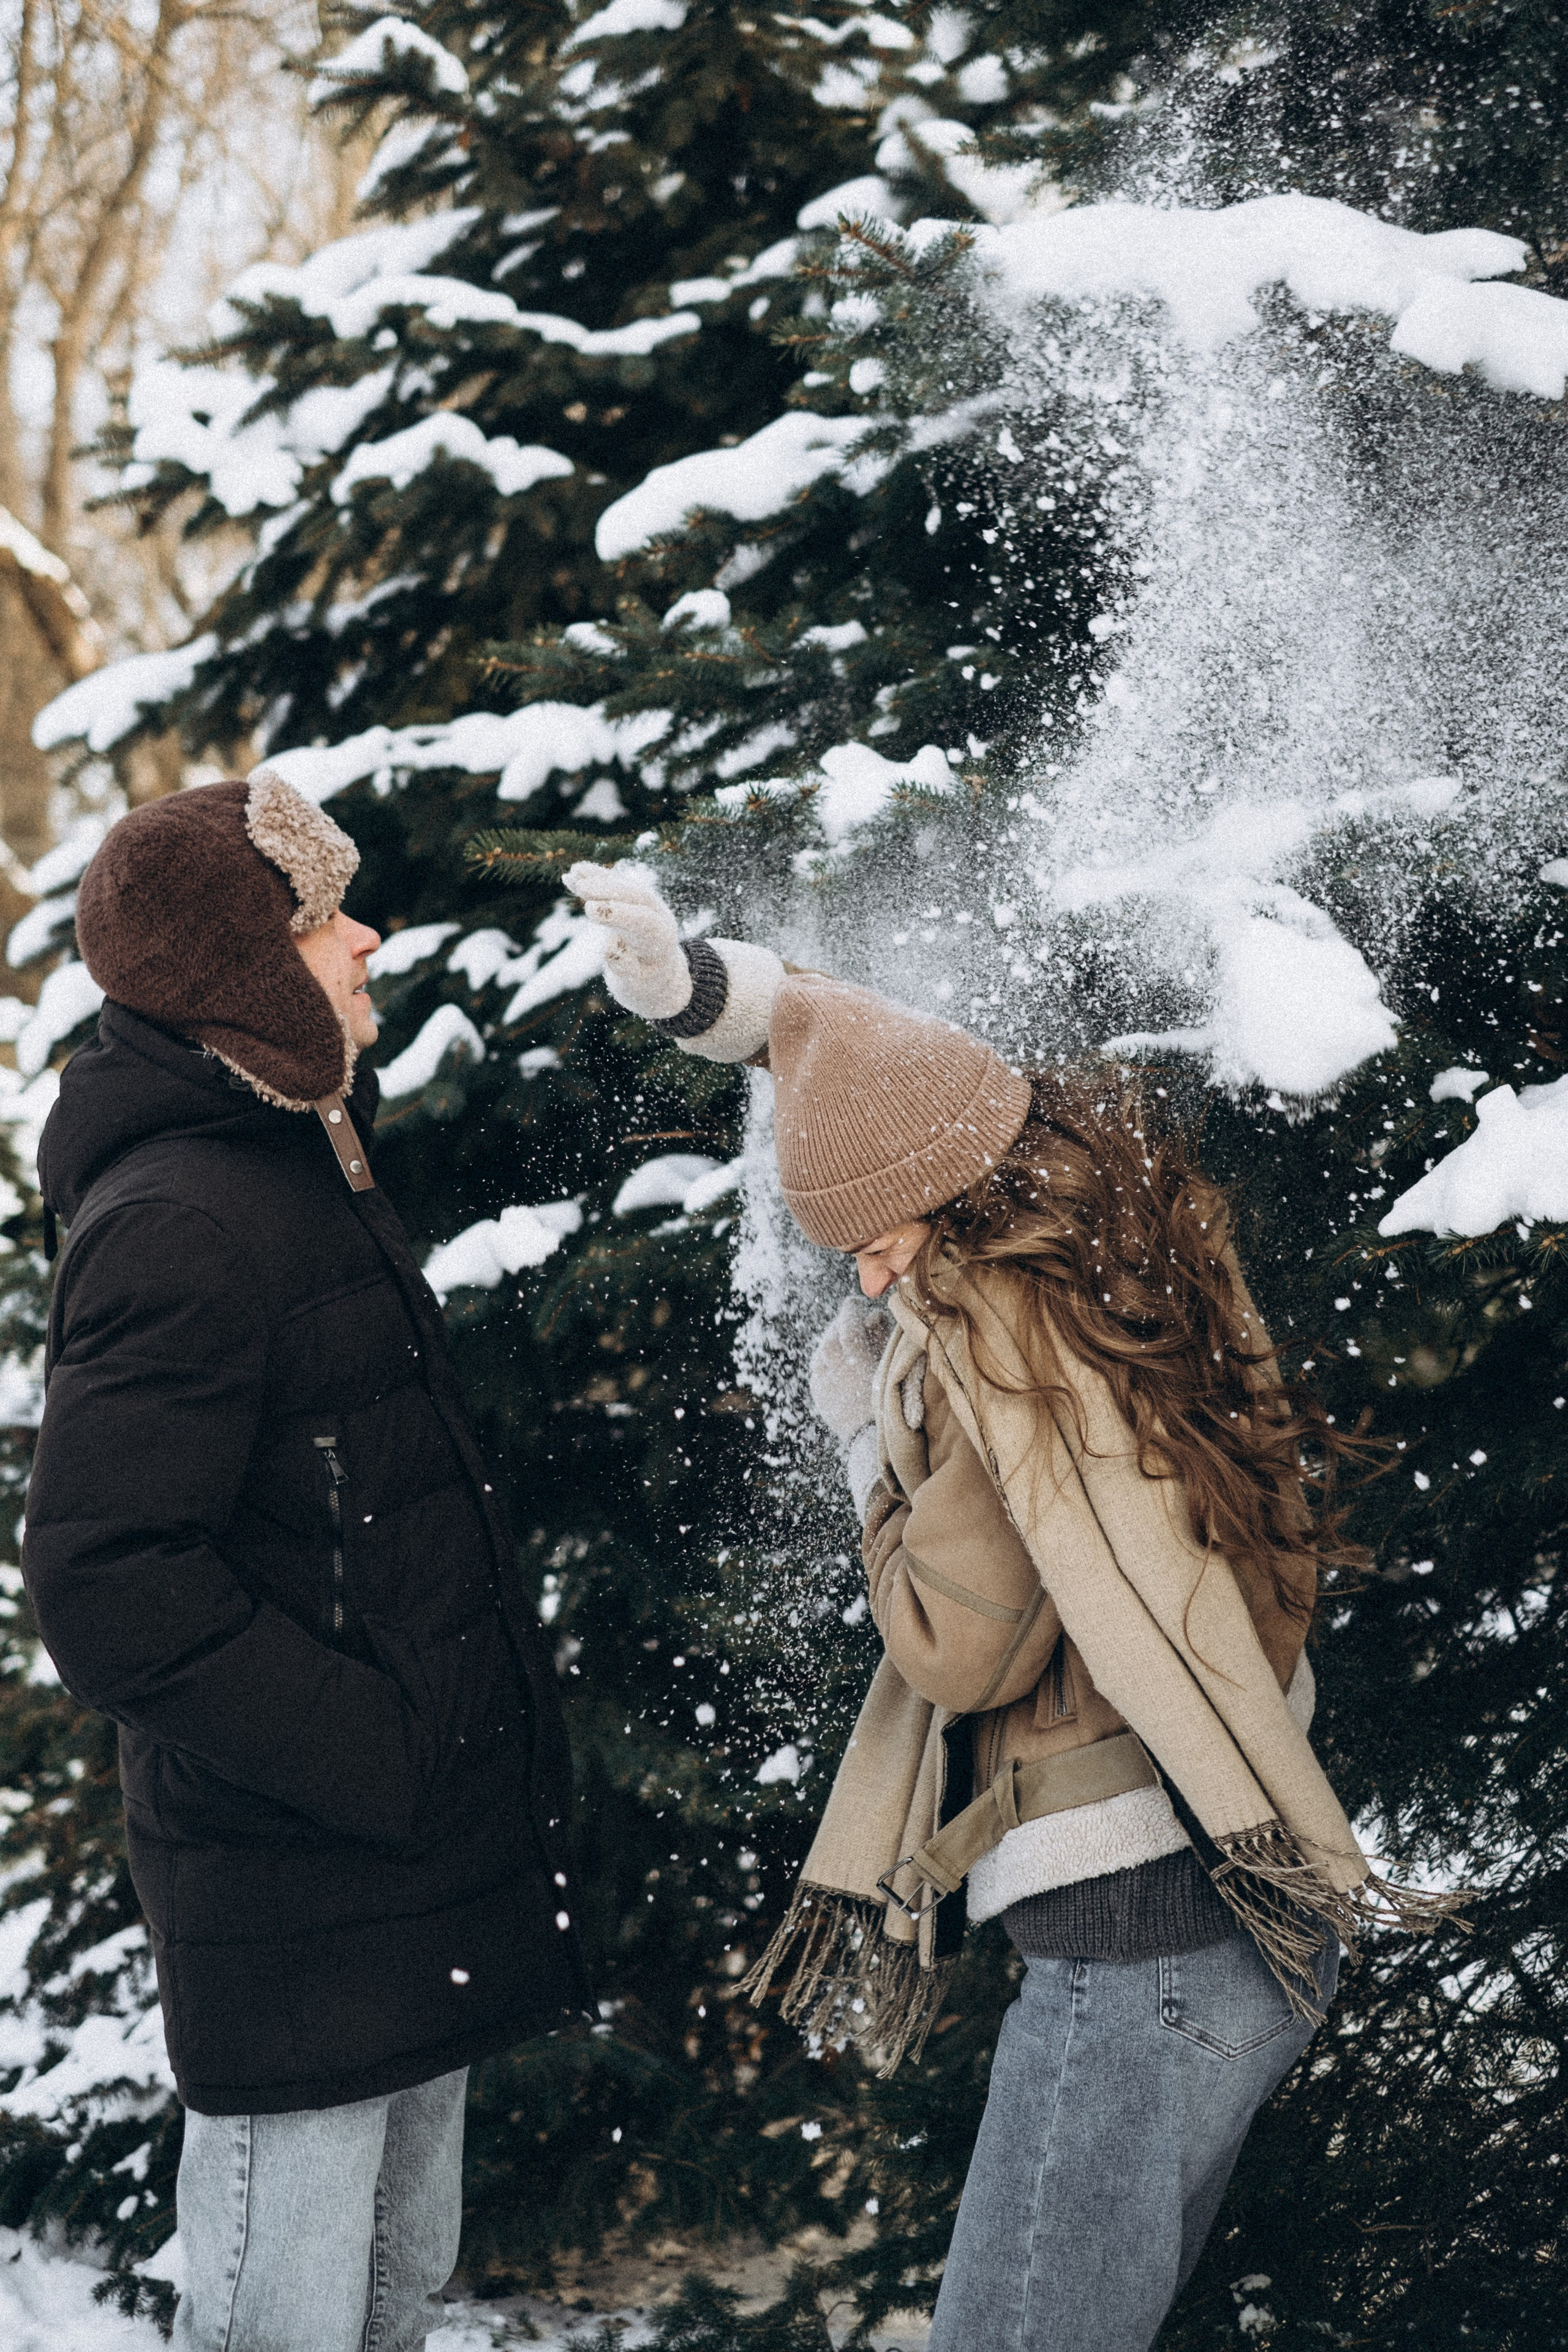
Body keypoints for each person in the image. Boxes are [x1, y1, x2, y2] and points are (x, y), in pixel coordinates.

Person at [567, 860, 1457, 2352]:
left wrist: (866, 1441)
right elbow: (848, 1035)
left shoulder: (1001, 1354)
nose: (859, 1273)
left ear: (939, 1193)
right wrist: (689, 988)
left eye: (870, 1235)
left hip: (1131, 1939)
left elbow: (956, 1650)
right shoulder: (1121, 1221)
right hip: (1236, 1884)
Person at [23, 775, 590, 2352]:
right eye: (320, 918)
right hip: (300, 1895)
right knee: (290, 2329)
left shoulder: (295, 1160)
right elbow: (108, 1584)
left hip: (400, 1875)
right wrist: (374, 1751)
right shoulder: (179, 1220)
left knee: (391, 2308)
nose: (366, 939)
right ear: (238, 973)